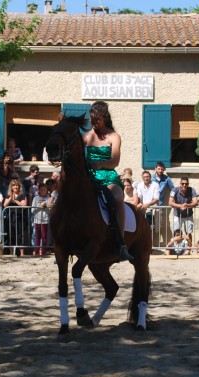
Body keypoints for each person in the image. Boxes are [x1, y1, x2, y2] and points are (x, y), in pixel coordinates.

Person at [83, 100, 133, 261]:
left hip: (107, 175)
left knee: (117, 197)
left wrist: (100, 164)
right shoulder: (87, 136)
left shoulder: (114, 137)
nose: (93, 122)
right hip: (89, 176)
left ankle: (121, 243)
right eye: (91, 118)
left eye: (96, 119)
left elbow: (115, 161)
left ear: (104, 118)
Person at [4, 177, 29, 254]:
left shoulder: (22, 195)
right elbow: (5, 205)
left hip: (20, 218)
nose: (15, 187)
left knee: (20, 235)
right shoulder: (8, 196)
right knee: (11, 235)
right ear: (11, 187)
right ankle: (12, 252)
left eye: (17, 185)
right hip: (11, 218)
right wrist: (11, 198)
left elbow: (24, 204)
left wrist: (15, 200)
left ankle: (21, 253)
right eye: (14, 185)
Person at [169, 177, 198, 242]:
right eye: (182, 183)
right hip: (177, 215)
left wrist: (187, 205)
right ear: (180, 184)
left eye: (186, 184)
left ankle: (189, 249)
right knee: (176, 232)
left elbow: (195, 202)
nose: (184, 185)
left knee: (189, 233)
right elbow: (170, 202)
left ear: (188, 184)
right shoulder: (174, 190)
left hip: (188, 215)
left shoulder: (192, 190)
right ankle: (176, 249)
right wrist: (180, 206)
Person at [31, 181, 51, 256]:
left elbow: (50, 211)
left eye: (44, 190)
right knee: (37, 236)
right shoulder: (35, 198)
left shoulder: (49, 198)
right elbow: (32, 210)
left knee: (44, 236)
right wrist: (39, 206)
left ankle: (43, 251)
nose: (43, 191)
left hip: (45, 220)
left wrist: (46, 206)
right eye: (41, 190)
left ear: (47, 190)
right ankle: (36, 251)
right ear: (39, 190)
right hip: (37, 220)